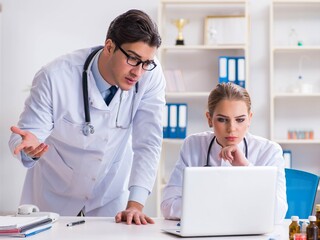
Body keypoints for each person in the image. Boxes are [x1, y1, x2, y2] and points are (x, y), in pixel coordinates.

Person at [8, 9, 165, 225]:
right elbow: (26, 136)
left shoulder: (150, 76)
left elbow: (148, 142)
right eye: (133, 59)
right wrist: (29, 149)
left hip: (109, 199)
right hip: (53, 198)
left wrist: (135, 204)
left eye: (146, 62)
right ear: (109, 46)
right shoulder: (55, 77)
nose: (138, 72)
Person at [161, 82, 288, 224]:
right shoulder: (193, 145)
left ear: (249, 119)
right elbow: (168, 206)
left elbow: (278, 213)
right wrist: (231, 208)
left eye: (240, 120)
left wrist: (245, 168)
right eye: (222, 120)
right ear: (209, 119)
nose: (231, 128)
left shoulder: (269, 151)